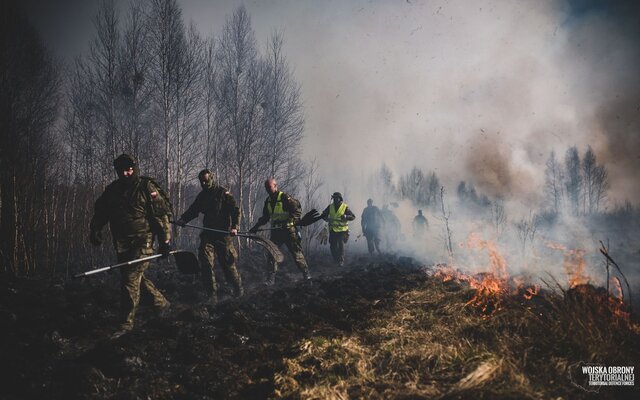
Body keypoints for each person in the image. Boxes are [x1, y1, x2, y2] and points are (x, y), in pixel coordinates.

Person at [89, 154, 172, 337]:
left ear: (134, 169)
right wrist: (95, 229)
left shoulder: (145, 187)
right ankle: (161, 303)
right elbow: (102, 211)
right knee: (135, 278)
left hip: (143, 241)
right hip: (123, 244)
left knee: (129, 279)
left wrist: (165, 241)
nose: (127, 174)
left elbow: (161, 216)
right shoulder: (113, 190)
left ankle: (125, 324)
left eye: (130, 170)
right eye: (122, 171)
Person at [175, 169, 243, 305]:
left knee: (227, 264)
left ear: (212, 178)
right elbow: (193, 210)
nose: (204, 184)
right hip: (208, 234)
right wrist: (183, 220)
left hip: (223, 235)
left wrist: (235, 227)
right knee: (205, 261)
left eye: (207, 180)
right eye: (202, 182)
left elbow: (235, 211)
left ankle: (238, 288)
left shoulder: (223, 193)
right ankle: (211, 294)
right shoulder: (202, 196)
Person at [249, 178, 311, 285]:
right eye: (266, 188)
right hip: (276, 232)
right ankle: (270, 279)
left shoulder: (284, 198)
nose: (268, 189)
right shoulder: (268, 201)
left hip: (289, 231)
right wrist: (256, 227)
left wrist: (290, 221)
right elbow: (265, 217)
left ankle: (307, 275)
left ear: (275, 186)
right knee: (272, 253)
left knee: (296, 254)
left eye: (270, 187)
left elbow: (297, 210)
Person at [319, 192, 356, 266]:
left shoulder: (345, 207)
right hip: (333, 229)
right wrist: (326, 218)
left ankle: (341, 261)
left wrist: (346, 216)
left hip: (342, 230)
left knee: (340, 243)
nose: (335, 199)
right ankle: (336, 259)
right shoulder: (330, 206)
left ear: (340, 198)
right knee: (332, 246)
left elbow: (353, 216)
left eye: (337, 198)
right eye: (334, 198)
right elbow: (323, 215)